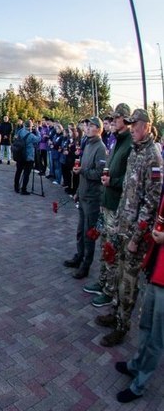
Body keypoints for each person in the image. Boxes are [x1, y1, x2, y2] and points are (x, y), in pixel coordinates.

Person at [95, 109, 163, 347]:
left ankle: (122, 327)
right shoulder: (135, 151)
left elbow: (151, 203)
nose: (131, 128)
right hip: (122, 226)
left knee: (128, 283)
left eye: (136, 125)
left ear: (146, 126)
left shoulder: (153, 156)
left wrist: (137, 237)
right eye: (131, 124)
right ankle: (115, 314)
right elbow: (128, 193)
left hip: (137, 234)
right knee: (118, 272)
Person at [81, 104, 132, 306]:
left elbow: (131, 179)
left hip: (116, 205)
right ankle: (102, 283)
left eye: (116, 118)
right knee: (105, 246)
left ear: (126, 120)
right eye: (112, 119)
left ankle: (110, 291)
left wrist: (113, 182)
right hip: (106, 202)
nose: (112, 122)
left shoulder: (129, 144)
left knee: (112, 249)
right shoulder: (116, 142)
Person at [114, 210, 164, 403]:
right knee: (145, 325)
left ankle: (140, 384)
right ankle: (136, 365)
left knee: (156, 337)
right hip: (156, 268)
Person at [65, 117, 106, 279]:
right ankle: (79, 256)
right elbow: (83, 170)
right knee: (80, 231)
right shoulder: (88, 144)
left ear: (98, 129)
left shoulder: (100, 148)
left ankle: (86, 264)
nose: (87, 128)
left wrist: (82, 171)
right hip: (83, 194)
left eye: (90, 126)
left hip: (92, 198)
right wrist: (77, 192)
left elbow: (99, 174)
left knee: (89, 233)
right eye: (87, 125)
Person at [13, 120, 39, 195]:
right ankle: (23, 189)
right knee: (26, 173)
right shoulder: (30, 135)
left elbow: (16, 136)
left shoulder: (21, 131)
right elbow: (38, 139)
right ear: (30, 127)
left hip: (20, 155)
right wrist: (37, 131)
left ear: (25, 125)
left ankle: (16, 187)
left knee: (18, 171)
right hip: (28, 156)